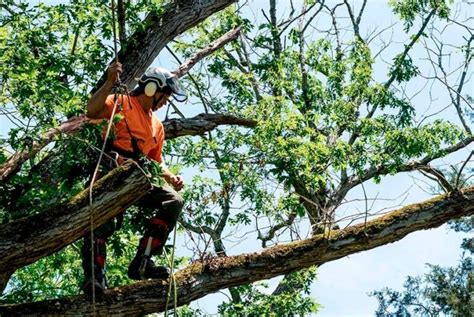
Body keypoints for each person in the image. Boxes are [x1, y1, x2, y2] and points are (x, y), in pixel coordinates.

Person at [81, 61, 186, 296]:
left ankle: (143, 260)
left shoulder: (157, 126)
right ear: (151, 89)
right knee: (100, 224)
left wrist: (171, 178)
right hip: (109, 172)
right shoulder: (122, 102)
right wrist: (109, 82)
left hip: (136, 178)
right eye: (165, 96)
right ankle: (95, 278)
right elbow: (92, 111)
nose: (165, 102)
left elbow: (156, 161)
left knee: (173, 200)